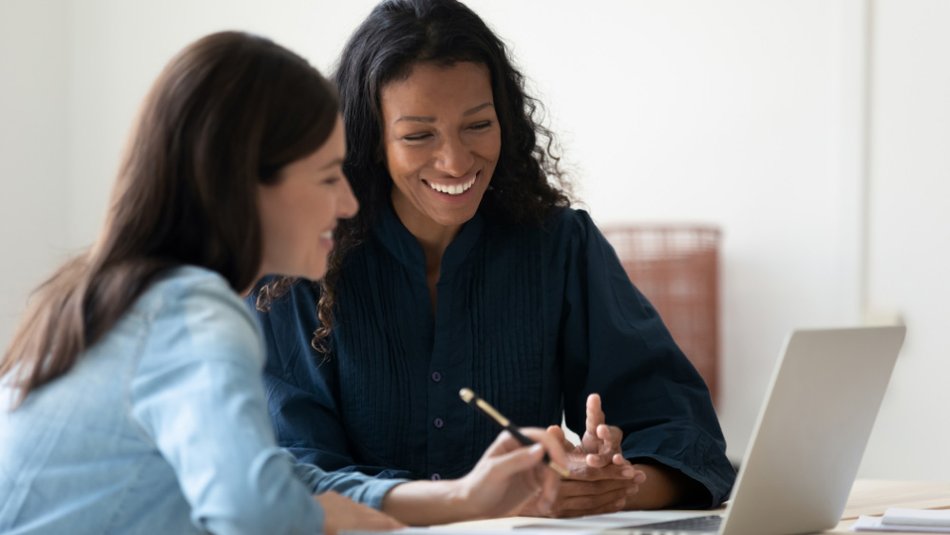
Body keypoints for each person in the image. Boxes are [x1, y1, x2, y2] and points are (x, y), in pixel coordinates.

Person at [0, 31, 567, 535]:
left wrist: (463, 497)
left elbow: (272, 478)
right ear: (245, 185)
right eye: (327, 177)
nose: (347, 202)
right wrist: (327, 519)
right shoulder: (193, 310)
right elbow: (256, 509)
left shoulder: (118, 296)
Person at [251, 0, 736, 519]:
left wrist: (602, 485)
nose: (456, 161)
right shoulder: (300, 268)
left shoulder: (560, 247)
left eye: (478, 125)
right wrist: (470, 502)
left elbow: (691, 440)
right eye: (418, 135)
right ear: (372, 141)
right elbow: (293, 476)